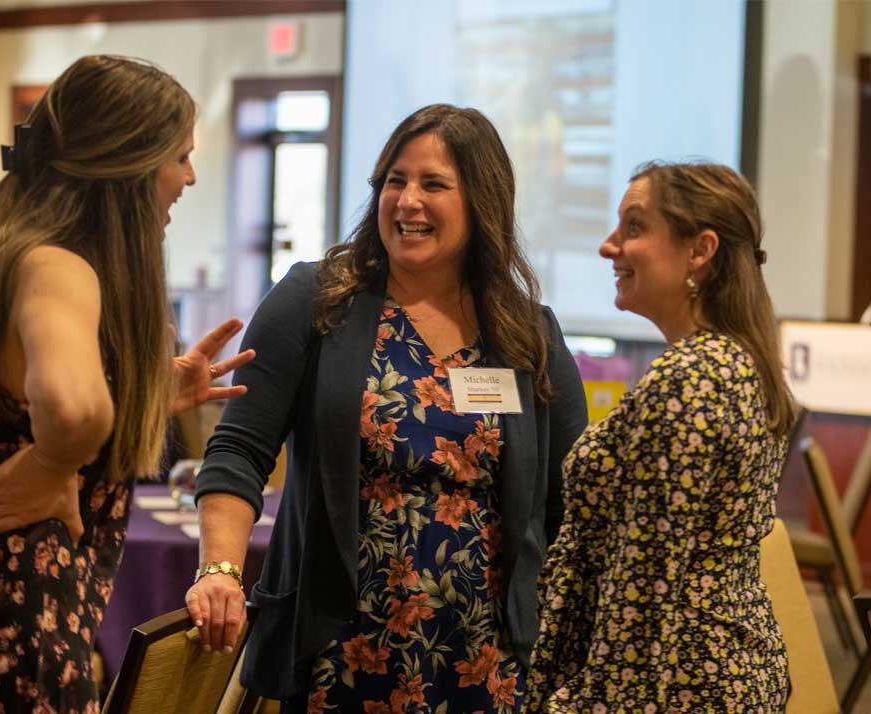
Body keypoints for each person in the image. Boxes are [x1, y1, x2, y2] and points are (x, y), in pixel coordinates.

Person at [188, 104, 588, 713]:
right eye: (395, 181)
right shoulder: (315, 302)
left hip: (486, 661)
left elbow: (571, 499)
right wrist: (219, 566)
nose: (407, 202)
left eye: (433, 185)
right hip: (339, 653)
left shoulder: (526, 333)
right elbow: (240, 449)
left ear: (482, 201)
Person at [0, 55, 253, 712]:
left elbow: (9, 408)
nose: (189, 177)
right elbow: (73, 408)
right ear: (131, 165)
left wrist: (144, 392)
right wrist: (58, 459)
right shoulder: (59, 264)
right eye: (180, 157)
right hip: (15, 640)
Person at [527, 161, 795, 711]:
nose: (608, 246)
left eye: (633, 227)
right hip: (724, 669)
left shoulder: (688, 380)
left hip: (677, 685)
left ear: (699, 251)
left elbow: (643, 599)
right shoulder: (738, 360)